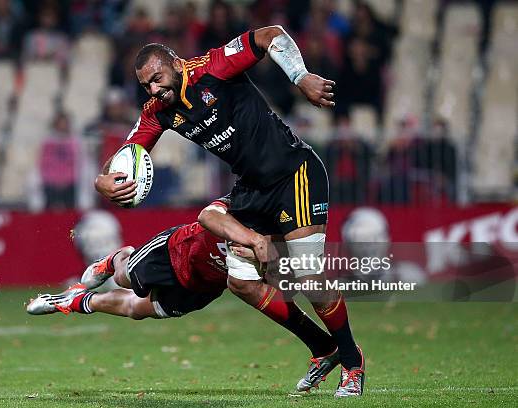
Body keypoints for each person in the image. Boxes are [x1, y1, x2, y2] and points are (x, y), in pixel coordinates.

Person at [94, 25, 364, 396]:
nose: (154, 89)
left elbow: (271, 34)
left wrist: (300, 77)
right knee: (240, 282)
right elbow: (124, 158)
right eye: (146, 86)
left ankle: (352, 362)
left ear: (176, 63)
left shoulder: (214, 67)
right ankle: (323, 348)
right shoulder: (158, 111)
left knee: (307, 275)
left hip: (294, 172)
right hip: (251, 189)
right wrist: (102, 180)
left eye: (157, 79)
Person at [28, 199, 339, 391]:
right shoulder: (246, 203)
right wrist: (249, 239)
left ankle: (76, 300)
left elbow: (279, 283)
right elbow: (210, 214)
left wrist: (275, 266)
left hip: (204, 285)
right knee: (125, 277)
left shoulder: (291, 237)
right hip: (177, 251)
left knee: (138, 310)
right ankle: (117, 258)